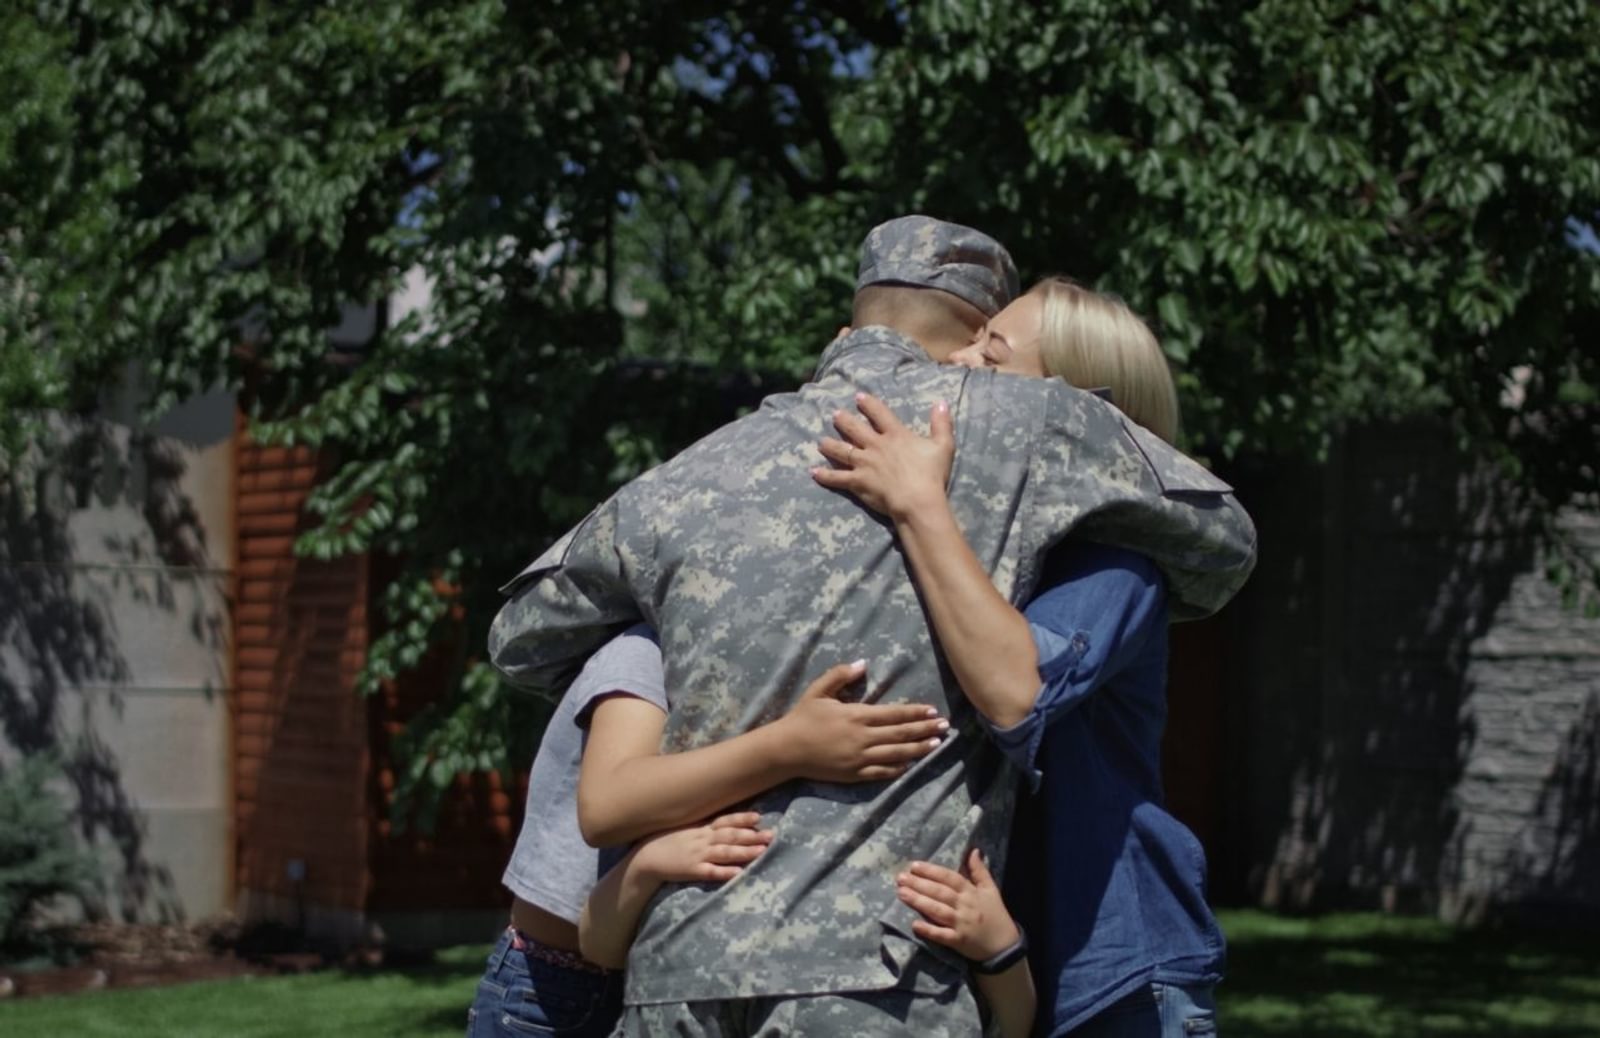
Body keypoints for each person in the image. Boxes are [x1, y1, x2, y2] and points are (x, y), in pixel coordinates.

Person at [489, 215, 1256, 1036]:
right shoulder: (1030, 432)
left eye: (994, 358)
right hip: (897, 977)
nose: (965, 376)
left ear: (844, 329)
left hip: (698, 972)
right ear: (964, 321)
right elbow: (1225, 540)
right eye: (978, 348)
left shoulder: (683, 474)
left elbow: (524, 634)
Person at [818, 278, 1224, 1037]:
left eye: (991, 351)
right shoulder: (989, 550)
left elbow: (1016, 691)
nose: (959, 359)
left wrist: (918, 503)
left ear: (1074, 408)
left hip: (1112, 979)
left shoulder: (1118, 556)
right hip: (1001, 970)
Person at [468, 626, 945, 1038]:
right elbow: (608, 810)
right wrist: (793, 747)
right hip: (551, 983)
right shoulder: (643, 651)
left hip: (651, 966)